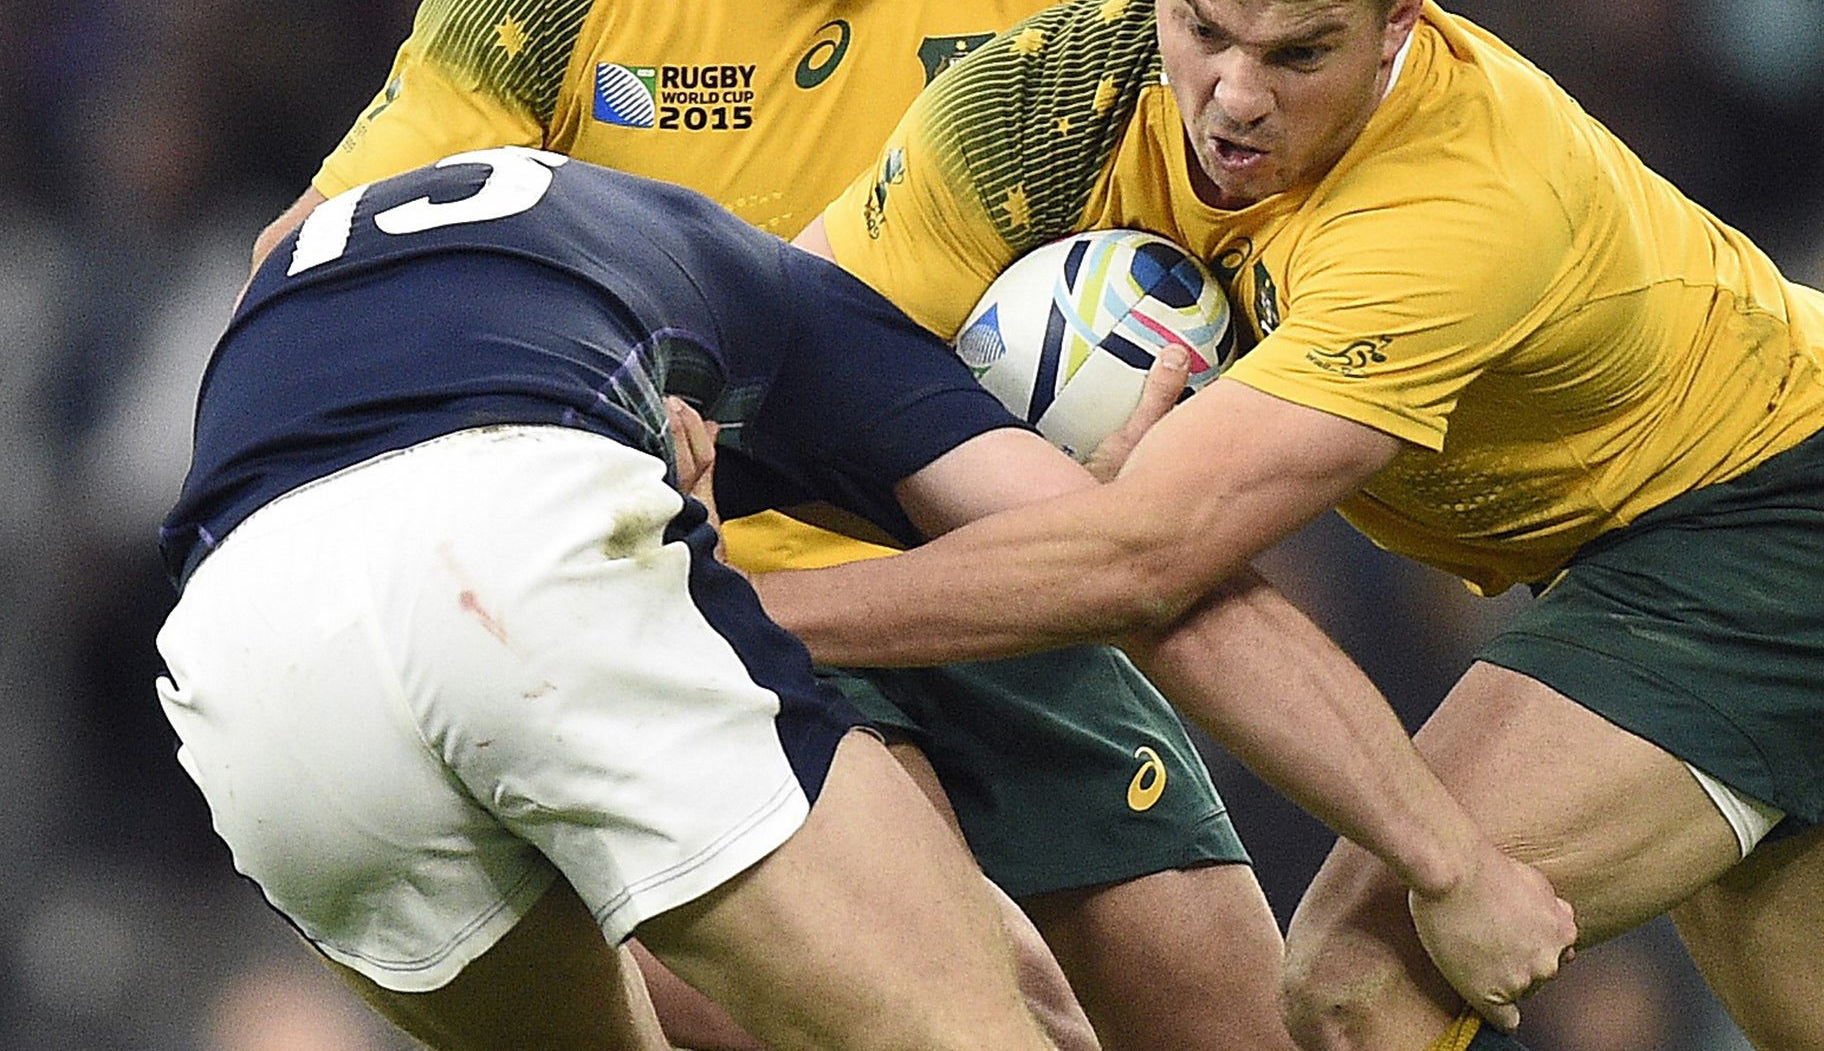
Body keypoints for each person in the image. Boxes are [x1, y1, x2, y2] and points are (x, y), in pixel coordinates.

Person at [752, 0, 1824, 1051]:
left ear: (1401, 19)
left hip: (1777, 535)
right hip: (1766, 499)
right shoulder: (1049, 98)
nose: (1235, 100)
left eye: (1300, 54)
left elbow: (1142, 564)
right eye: (1200, 26)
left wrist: (759, 613)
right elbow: (791, 328)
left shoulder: (1449, 209)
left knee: (1361, 984)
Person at [245, 0, 1292, 1051]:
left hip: (987, 566)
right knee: (1010, 1020)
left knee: (1249, 1026)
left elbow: (1241, 219)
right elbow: (316, 260)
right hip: (710, 599)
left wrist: (1199, 411)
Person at [168, 149, 1570, 1051]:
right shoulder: (790, 299)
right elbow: (1140, 568)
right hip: (522, 537)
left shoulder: (521, 243)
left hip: (243, 656)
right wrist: (1443, 858)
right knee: (1003, 1021)